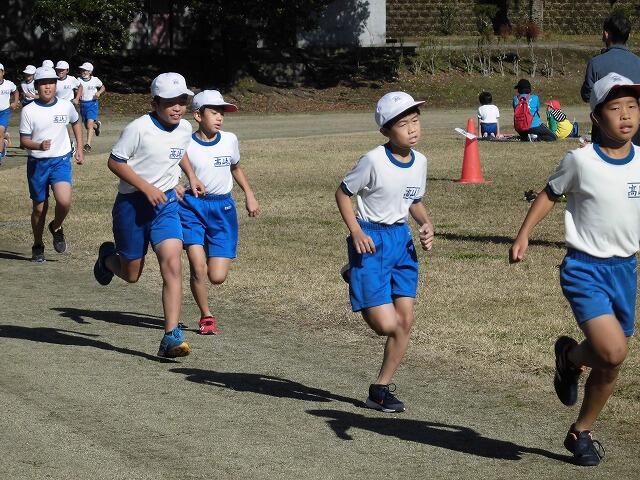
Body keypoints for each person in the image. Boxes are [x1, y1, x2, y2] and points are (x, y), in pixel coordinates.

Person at [510, 72, 640, 466]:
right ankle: (570, 358)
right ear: (597, 117)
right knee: (613, 351)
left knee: (611, 361)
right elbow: (550, 194)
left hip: (625, 270)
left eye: (632, 106)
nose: (626, 115)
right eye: (615, 108)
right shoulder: (580, 161)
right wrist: (524, 235)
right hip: (585, 269)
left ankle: (580, 429)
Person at [92, 72, 205, 358]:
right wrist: (145, 187)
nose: (177, 107)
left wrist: (190, 176)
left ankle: (171, 337)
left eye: (182, 100)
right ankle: (107, 258)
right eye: (169, 102)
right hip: (132, 206)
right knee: (132, 274)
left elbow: (178, 151)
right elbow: (115, 162)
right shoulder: (138, 128)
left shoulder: (183, 128)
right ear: (155, 103)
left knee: (173, 264)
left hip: (165, 205)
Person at [335, 91, 434, 412]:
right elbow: (343, 194)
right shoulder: (373, 160)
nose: (412, 129)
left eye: (415, 121)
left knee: (405, 321)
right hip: (371, 241)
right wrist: (356, 231)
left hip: (402, 242)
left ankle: (379, 390)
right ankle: (355, 274)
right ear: (385, 131)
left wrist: (425, 223)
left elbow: (413, 201)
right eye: (403, 124)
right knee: (386, 326)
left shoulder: (421, 162)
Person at [179, 90, 260, 335]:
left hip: (223, 209)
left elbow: (236, 168)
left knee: (216, 276)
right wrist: (176, 186)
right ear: (198, 115)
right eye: (214, 113)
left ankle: (206, 252)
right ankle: (206, 316)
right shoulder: (185, 142)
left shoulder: (229, 140)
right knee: (198, 267)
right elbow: (169, 167)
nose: (219, 118)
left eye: (221, 114)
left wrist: (249, 194)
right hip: (192, 207)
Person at [19, 66, 84, 262]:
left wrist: (80, 148)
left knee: (64, 202)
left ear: (56, 85)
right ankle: (38, 244)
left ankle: (56, 226)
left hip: (60, 161)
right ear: (37, 86)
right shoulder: (28, 110)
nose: (48, 87)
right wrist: (39, 145)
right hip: (37, 164)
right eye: (43, 83)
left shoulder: (65, 106)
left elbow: (76, 122)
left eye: (51, 83)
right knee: (40, 208)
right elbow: (24, 140)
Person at [581, 11, 640, 144]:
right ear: (629, 35)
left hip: (604, 130)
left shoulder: (596, 63)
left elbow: (587, 95)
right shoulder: (638, 62)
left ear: (606, 34)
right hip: (635, 131)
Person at [76, 62, 105, 152]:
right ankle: (96, 125)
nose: (83, 72)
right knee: (87, 126)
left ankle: (88, 144)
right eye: (82, 70)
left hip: (92, 104)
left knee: (89, 125)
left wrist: (99, 92)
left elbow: (103, 87)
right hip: (83, 104)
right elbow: (75, 89)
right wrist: (77, 93)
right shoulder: (78, 80)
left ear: (90, 72)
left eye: (85, 70)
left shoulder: (95, 80)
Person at [0, 63, 19, 164]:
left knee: (0, 132)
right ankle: (5, 143)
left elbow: (16, 91)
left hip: (4, 112)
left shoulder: (9, 84)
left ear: (3, 72)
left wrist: (15, 102)